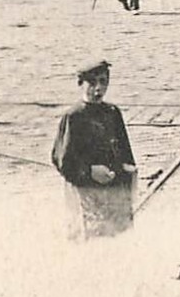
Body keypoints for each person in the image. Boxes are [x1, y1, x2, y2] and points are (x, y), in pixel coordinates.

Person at [51, 58, 138, 240]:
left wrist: (128, 172)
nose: (98, 89)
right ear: (80, 84)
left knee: (119, 238)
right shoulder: (74, 117)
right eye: (92, 82)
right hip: (85, 192)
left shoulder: (113, 113)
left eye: (103, 82)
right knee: (89, 239)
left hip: (114, 192)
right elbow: (62, 161)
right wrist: (90, 171)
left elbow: (126, 154)